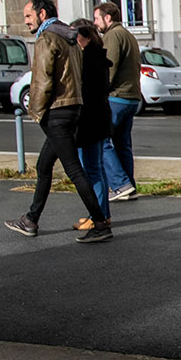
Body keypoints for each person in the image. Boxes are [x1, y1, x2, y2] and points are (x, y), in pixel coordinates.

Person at [4, 0, 113, 244]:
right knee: (44, 166)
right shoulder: (69, 36)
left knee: (74, 169)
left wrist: (35, 111)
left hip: (56, 111)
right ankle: (31, 219)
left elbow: (42, 80)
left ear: (42, 14)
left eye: (29, 15)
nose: (26, 21)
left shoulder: (47, 38)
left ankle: (100, 223)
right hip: (72, 108)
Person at [92, 1, 142, 202]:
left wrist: (99, 92)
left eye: (97, 18)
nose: (95, 23)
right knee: (122, 144)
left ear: (108, 18)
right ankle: (129, 186)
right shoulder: (128, 35)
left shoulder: (112, 35)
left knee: (102, 140)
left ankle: (120, 184)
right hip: (131, 97)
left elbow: (108, 68)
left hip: (116, 97)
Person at [70, 18, 112, 232]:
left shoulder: (87, 59)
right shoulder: (98, 56)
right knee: (96, 168)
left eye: (74, 36)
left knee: (91, 169)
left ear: (84, 38)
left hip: (89, 120)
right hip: (99, 118)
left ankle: (98, 216)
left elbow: (85, 92)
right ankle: (102, 214)